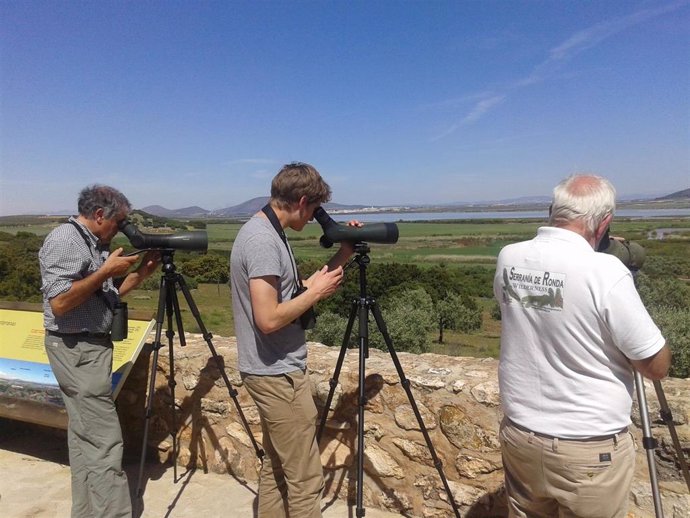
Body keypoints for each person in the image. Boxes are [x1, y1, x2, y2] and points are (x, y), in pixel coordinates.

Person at [494, 173, 671, 518]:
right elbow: (655, 367)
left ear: (552, 211)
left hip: (521, 436)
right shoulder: (605, 271)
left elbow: (546, 304)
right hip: (588, 447)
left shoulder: (509, 257)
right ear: (604, 222)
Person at [230, 162, 358, 517]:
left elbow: (290, 298)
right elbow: (269, 318)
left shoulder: (268, 232)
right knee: (305, 480)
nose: (316, 217)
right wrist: (314, 293)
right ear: (302, 201)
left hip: (272, 370)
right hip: (277, 376)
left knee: (277, 469)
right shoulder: (261, 241)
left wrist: (345, 252)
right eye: (316, 209)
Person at [39, 185, 160, 518]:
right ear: (98, 215)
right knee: (105, 444)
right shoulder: (65, 241)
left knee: (85, 442)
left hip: (87, 348)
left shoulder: (93, 244)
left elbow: (107, 294)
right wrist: (105, 270)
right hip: (76, 348)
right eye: (119, 221)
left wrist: (142, 273)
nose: (121, 228)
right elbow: (61, 302)